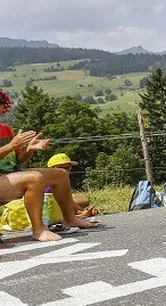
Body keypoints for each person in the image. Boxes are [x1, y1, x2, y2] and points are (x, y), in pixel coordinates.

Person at [0, 90, 96, 241]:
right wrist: (11, 146)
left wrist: (29, 150)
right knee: (34, 178)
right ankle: (38, 229)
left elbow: (17, 161)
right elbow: (10, 149)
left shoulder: (5, 129)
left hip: (9, 177)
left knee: (60, 174)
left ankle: (70, 219)